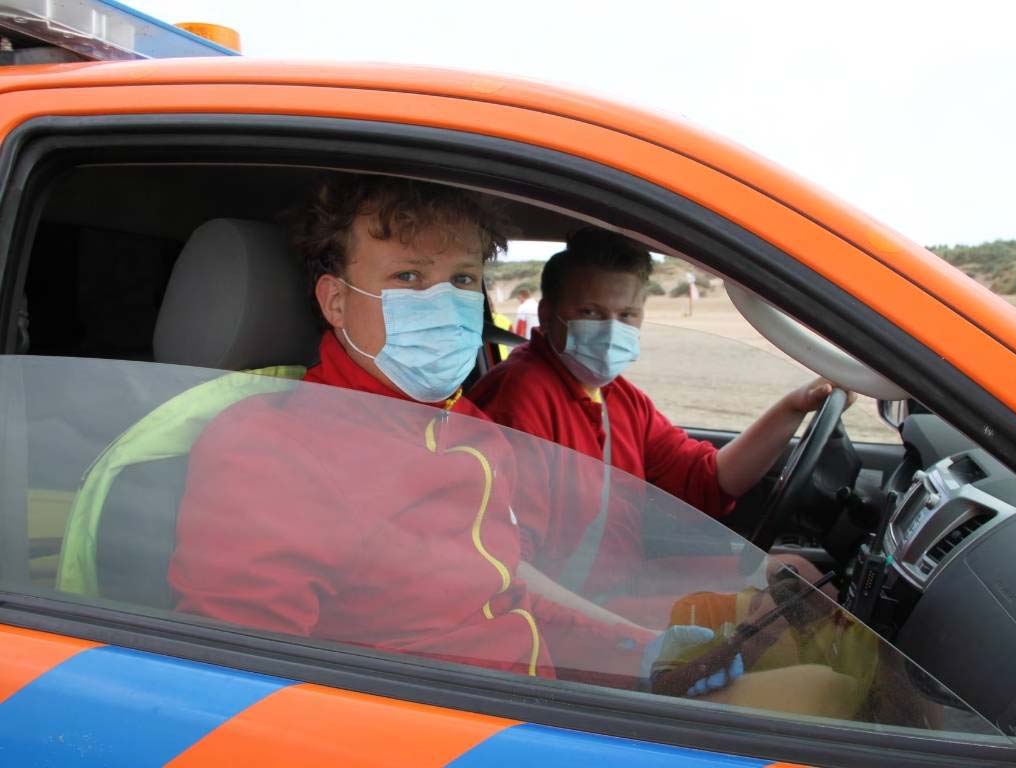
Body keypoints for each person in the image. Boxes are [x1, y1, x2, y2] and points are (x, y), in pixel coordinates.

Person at [166, 175, 742, 691]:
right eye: (409, 275)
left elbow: (507, 587)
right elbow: (241, 691)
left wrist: (640, 651)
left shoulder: (468, 426)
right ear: (337, 301)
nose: (442, 302)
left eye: (462, 278)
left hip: (537, 696)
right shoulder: (270, 448)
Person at [470, 227, 848, 627]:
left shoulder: (619, 398)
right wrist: (638, 639)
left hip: (625, 583)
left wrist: (795, 406)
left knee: (794, 576)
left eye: (627, 315)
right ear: (549, 316)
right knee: (777, 618)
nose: (613, 329)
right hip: (572, 613)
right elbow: (509, 565)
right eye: (591, 313)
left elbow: (706, 479)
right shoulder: (520, 399)